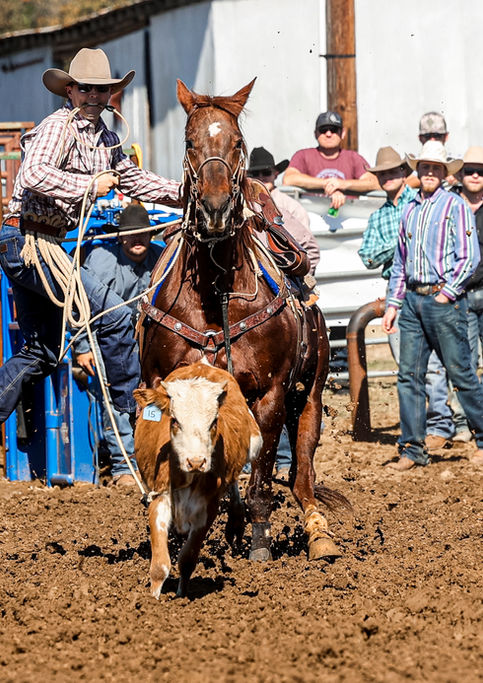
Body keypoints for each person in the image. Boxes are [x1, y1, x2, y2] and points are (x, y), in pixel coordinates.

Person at [0, 49, 180, 442]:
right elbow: (32, 174)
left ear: (111, 94)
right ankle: (138, 412)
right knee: (113, 316)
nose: (95, 97)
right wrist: (88, 185)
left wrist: (186, 194)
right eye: (87, 89)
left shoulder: (109, 140)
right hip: (26, 242)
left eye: (102, 90)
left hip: (40, 245)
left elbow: (135, 181)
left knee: (43, 353)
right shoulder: (58, 127)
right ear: (70, 90)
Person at [382, 141, 483, 470]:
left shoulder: (456, 206)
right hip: (412, 299)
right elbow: (400, 260)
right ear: (418, 171)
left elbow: (469, 257)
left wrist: (447, 292)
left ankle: (482, 438)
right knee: (408, 376)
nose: (429, 172)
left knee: (461, 374)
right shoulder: (409, 208)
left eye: (435, 168)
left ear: (443, 173)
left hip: (442, 299)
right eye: (424, 167)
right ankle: (412, 448)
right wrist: (393, 303)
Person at [359, 146, 456, 449]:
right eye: (382, 173)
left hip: (429, 287)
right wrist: (400, 245)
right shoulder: (381, 216)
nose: (387, 177)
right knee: (407, 365)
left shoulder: (418, 204)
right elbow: (368, 257)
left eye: (392, 171)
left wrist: (395, 249)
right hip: (399, 291)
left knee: (434, 364)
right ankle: (423, 426)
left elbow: (415, 249)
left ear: (403, 173)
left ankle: (440, 423)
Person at [74, 204, 163, 485]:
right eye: (131, 235)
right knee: (116, 401)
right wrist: (82, 346)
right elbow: (79, 305)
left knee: (153, 401)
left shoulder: (162, 258)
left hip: (150, 344)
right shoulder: (101, 260)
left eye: (143, 234)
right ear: (120, 237)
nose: (138, 240)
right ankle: (123, 466)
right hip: (106, 341)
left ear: (151, 236)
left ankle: (152, 460)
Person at [449, 147, 483, 443]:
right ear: (459, 174)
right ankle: (464, 423)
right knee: (464, 362)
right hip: (460, 294)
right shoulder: (449, 206)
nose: (475, 175)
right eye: (470, 170)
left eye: (480, 171)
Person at [282, 111, 378, 209]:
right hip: (312, 214)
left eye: (334, 129)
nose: (328, 134)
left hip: (348, 215)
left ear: (343, 133)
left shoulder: (353, 157)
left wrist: (342, 184)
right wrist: (326, 184)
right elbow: (289, 179)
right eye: (323, 130)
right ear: (315, 134)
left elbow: (374, 182)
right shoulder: (302, 155)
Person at [247, 146, 320, 274]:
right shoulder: (245, 206)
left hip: (288, 275)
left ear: (275, 174)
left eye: (266, 172)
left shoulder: (291, 207)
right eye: (255, 174)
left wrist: (301, 278)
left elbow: (308, 247)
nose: (261, 177)